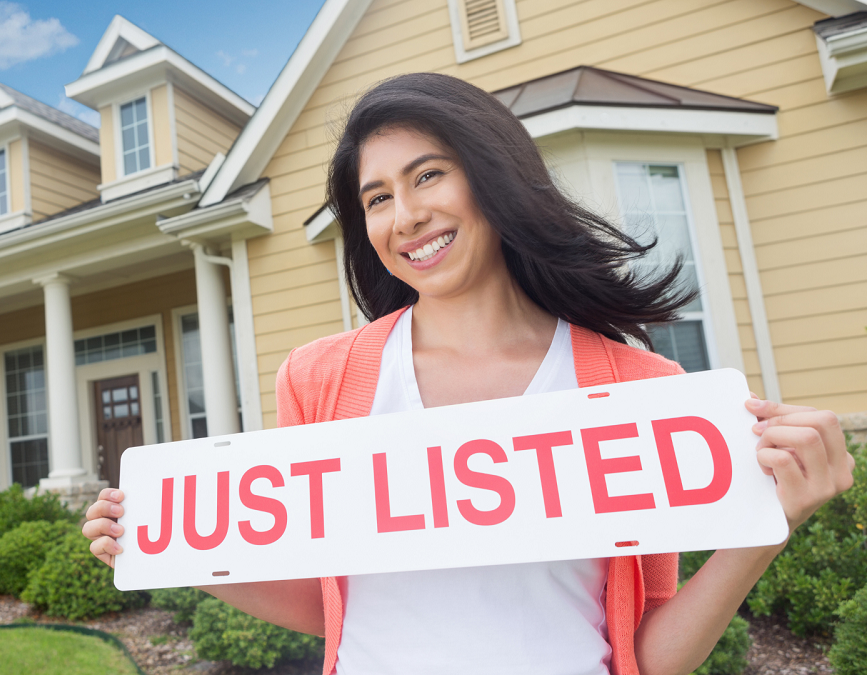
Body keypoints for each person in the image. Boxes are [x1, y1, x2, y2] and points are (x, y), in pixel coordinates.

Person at [83, 73, 854, 675]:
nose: (404, 216)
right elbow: (333, 604)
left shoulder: (640, 387)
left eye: (428, 177)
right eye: (376, 197)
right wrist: (168, 548)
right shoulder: (320, 378)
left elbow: (647, 653)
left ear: (494, 177)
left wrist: (767, 526)